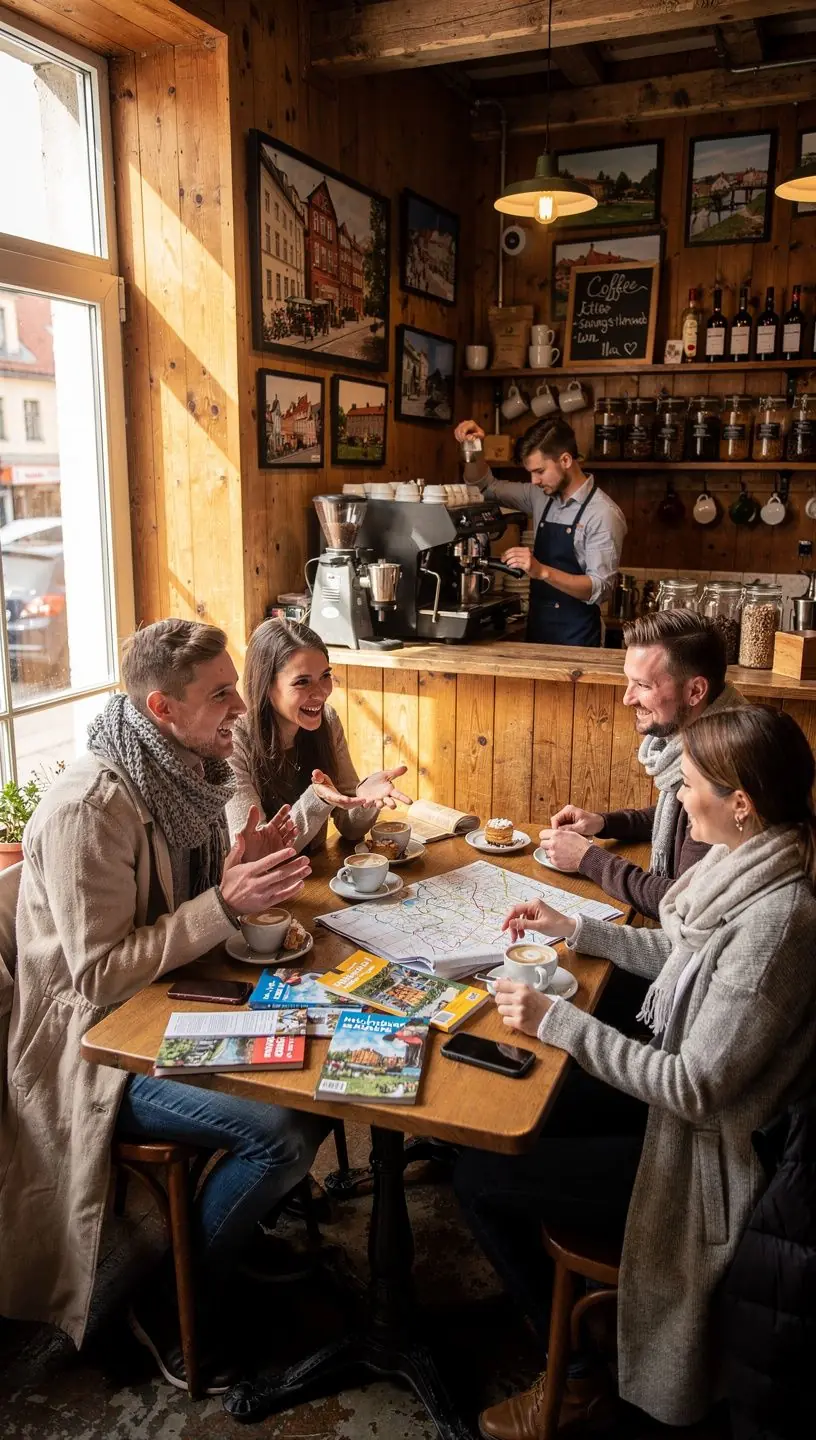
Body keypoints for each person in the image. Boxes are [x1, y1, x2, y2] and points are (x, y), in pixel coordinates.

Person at [455, 704, 816, 1435]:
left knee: (480, 1172)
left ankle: (577, 1376)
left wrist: (558, 1019)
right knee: (523, 1101)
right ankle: (576, 1319)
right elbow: (686, 961)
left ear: (739, 804)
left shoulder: (779, 922)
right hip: (686, 1120)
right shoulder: (754, 863)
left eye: (688, 787)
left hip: (708, 1160)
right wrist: (578, 930)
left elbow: (693, 1085)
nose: (678, 802)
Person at [0, 619, 328, 1395]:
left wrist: (238, 869)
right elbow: (100, 976)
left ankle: (229, 1242)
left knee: (318, 1075)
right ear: (160, 707)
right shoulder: (92, 807)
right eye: (221, 694)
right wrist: (222, 900)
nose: (241, 709)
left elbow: (180, 915)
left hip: (172, 1009)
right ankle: (171, 1299)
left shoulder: (186, 772)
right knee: (281, 1133)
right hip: (95, 1048)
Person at [540, 611, 745, 920]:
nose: (627, 698)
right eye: (628, 681)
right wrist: (603, 823)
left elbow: (678, 903)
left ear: (695, 691)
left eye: (643, 685)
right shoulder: (711, 732)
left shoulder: (723, 763)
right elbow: (680, 821)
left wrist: (587, 858)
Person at [228, 617, 411, 853]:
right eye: (302, 682)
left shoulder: (328, 719)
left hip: (317, 876)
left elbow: (351, 828)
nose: (322, 692)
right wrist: (317, 800)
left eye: (325, 675)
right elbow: (254, 854)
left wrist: (365, 800)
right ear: (267, 687)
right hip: (263, 888)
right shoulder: (234, 741)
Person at [453, 415, 625, 646]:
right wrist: (473, 446)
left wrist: (541, 571)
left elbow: (599, 588)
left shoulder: (603, 513)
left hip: (579, 641)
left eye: (540, 471)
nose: (533, 480)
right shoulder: (540, 496)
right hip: (537, 634)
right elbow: (484, 487)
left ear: (565, 460)